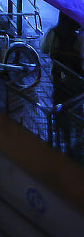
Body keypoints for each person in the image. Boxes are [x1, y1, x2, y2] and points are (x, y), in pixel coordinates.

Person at [43, 12, 84, 148]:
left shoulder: (53, 33)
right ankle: (76, 137)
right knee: (75, 105)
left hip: (58, 77)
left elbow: (43, 49)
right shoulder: (78, 38)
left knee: (59, 101)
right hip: (75, 79)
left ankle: (61, 132)